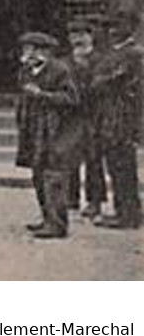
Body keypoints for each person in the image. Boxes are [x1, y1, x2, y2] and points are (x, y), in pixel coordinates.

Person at [15, 30, 83, 239]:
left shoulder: (60, 70)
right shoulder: (26, 71)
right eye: (26, 49)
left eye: (32, 49)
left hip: (56, 131)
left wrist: (42, 95)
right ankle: (46, 218)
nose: (28, 54)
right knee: (38, 175)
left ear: (44, 51)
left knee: (54, 176)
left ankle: (57, 224)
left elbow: (71, 99)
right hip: (34, 131)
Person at [90, 10, 141, 230]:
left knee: (122, 166)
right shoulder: (113, 53)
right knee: (115, 165)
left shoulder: (135, 54)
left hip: (123, 116)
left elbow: (120, 82)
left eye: (119, 25)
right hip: (108, 115)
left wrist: (104, 81)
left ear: (132, 27)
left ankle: (127, 215)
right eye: (112, 26)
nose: (113, 30)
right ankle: (126, 210)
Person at [65, 20, 105, 220]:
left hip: (92, 115)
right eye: (73, 34)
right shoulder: (65, 62)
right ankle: (70, 197)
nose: (77, 39)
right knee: (70, 157)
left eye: (82, 34)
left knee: (93, 160)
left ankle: (94, 201)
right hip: (71, 116)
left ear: (91, 36)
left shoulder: (100, 60)